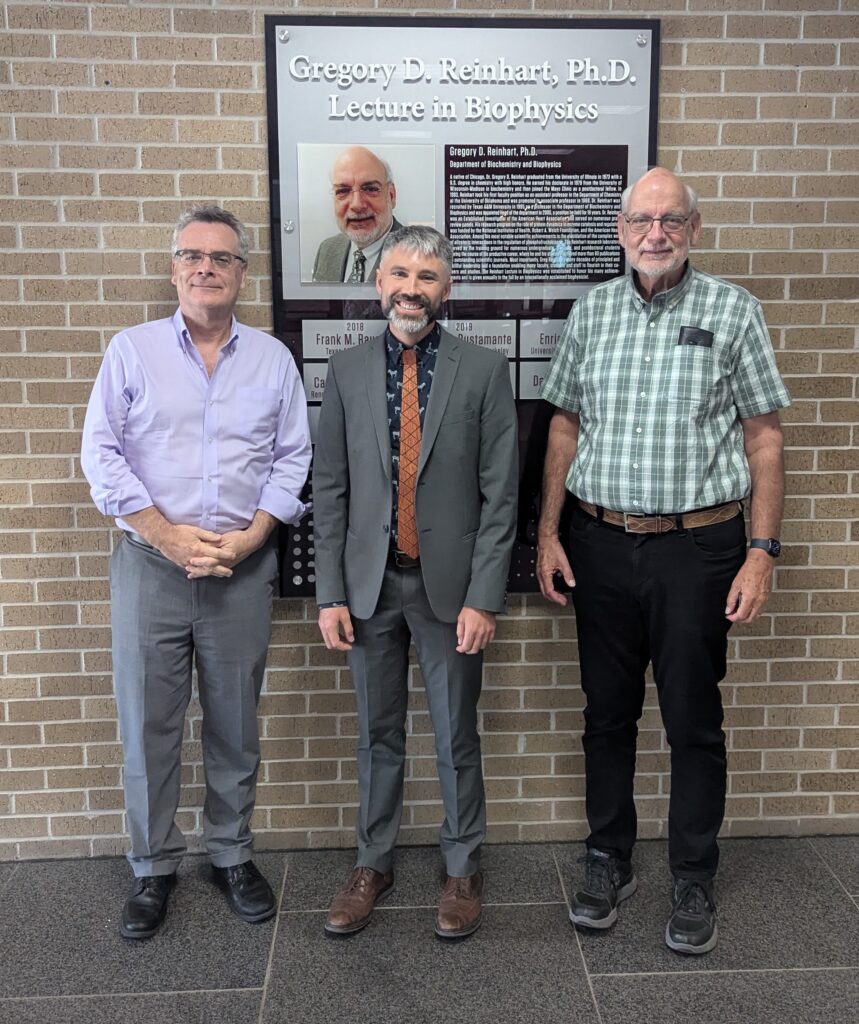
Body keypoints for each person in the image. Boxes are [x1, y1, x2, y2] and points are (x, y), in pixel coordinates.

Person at [537, 168, 790, 955]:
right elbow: (564, 429)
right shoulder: (591, 312)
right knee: (605, 715)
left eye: (670, 221)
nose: (655, 234)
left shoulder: (733, 312)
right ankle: (608, 857)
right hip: (599, 543)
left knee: (691, 719)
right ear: (618, 229)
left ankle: (691, 873)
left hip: (698, 547)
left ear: (693, 228)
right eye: (642, 220)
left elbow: (764, 438)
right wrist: (547, 532)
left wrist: (761, 552)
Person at [81, 204, 311, 940]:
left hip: (241, 571)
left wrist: (249, 540)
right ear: (174, 268)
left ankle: (231, 854)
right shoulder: (132, 351)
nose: (205, 268)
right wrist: (163, 533)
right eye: (191, 256)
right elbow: (101, 454)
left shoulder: (272, 359)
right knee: (149, 723)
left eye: (221, 258)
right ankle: (152, 867)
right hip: (151, 567)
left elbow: (291, 458)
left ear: (242, 273)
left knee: (235, 723)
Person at [313, 226, 518, 939]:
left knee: (455, 734)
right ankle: (373, 862)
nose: (411, 288)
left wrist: (484, 597)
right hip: (369, 590)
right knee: (376, 735)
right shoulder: (344, 374)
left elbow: (500, 499)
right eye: (399, 273)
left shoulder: (484, 372)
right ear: (377, 283)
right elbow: (331, 492)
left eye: (426, 277)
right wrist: (330, 594)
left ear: (446, 290)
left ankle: (461, 867)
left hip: (450, 593)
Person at [312, 146, 403, 283]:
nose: (357, 205)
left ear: (391, 195)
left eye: (370, 189)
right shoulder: (327, 249)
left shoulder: (420, 255)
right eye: (343, 191)